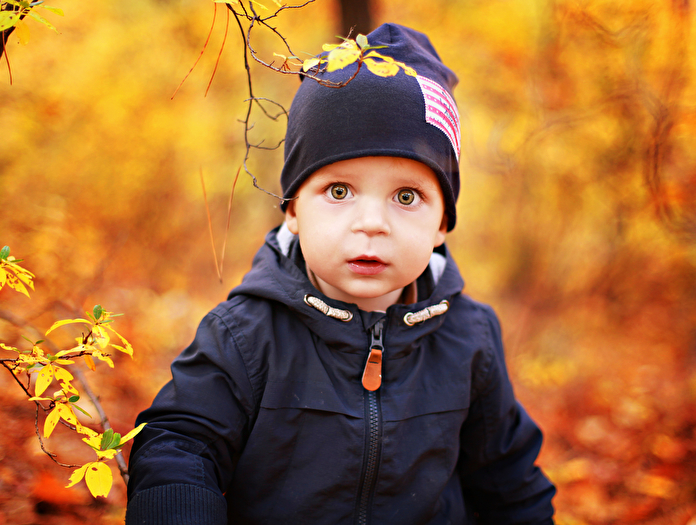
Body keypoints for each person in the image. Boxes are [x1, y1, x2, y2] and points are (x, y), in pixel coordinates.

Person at [126, 23, 555, 525]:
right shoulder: (246, 334)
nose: (372, 223)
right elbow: (179, 446)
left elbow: (510, 484)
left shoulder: (469, 339)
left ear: (442, 223)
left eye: (406, 196)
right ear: (292, 209)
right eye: (339, 191)